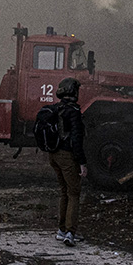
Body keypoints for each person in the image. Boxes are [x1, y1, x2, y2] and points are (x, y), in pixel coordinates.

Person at [48, 77, 87, 247]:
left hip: (53, 155)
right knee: (74, 193)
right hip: (66, 156)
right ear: (74, 92)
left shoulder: (56, 109)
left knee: (64, 191)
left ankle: (61, 230)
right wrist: (82, 162)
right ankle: (70, 233)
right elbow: (77, 139)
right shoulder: (73, 111)